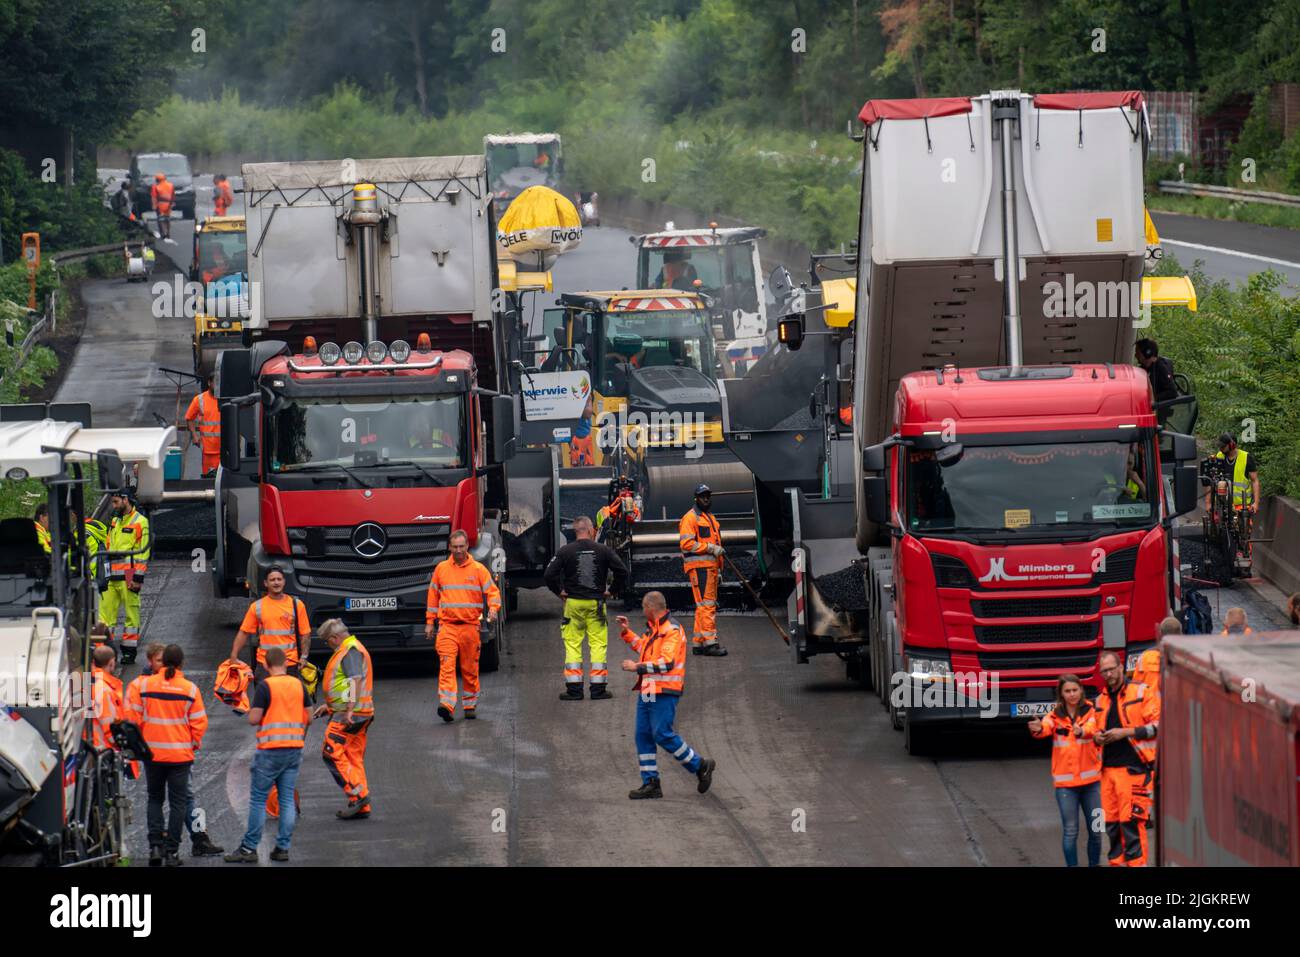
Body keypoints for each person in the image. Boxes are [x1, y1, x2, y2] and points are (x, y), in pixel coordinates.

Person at [127, 643, 224, 856]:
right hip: (180, 753)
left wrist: (143, 744)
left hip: (155, 753)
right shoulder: (187, 688)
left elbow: (132, 720)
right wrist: (190, 745)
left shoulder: (142, 686)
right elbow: (199, 722)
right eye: (157, 660)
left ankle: (167, 844)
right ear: (151, 662)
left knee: (164, 798)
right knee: (185, 798)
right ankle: (190, 842)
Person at [618, 591, 716, 799]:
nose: (643, 612)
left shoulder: (671, 630)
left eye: (644, 608)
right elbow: (645, 649)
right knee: (643, 734)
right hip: (651, 687)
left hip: (664, 689)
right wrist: (627, 633)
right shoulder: (655, 629)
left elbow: (666, 662)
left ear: (650, 608)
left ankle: (699, 765)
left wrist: (636, 667)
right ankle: (651, 783)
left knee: (661, 733)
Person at [224, 647, 312, 863]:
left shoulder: (266, 687)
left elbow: (254, 718)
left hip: (271, 751)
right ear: (285, 663)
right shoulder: (298, 684)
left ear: (266, 665)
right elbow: (309, 717)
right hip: (293, 749)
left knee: (257, 799)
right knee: (286, 799)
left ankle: (249, 847)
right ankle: (282, 847)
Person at [545, 515, 629, 701]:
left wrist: (559, 592)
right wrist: (611, 591)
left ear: (576, 531)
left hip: (573, 604)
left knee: (573, 645)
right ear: (591, 530)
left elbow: (549, 574)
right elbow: (622, 571)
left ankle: (574, 691)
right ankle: (598, 690)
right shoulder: (603, 550)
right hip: (596, 605)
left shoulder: (565, 551)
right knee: (598, 645)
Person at [425, 530, 501, 722]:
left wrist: (493, 608)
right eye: (455, 547)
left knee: (469, 668)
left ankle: (469, 705)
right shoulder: (441, 569)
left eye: (461, 546)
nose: (458, 550)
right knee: (447, 666)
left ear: (467, 546)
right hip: (447, 627)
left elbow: (492, 592)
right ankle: (447, 705)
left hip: (469, 627)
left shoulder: (478, 570)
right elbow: (433, 596)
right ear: (449, 547)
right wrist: (429, 622)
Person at [1093, 650, 1159, 867]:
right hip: (1107, 773)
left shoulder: (1141, 692)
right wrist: (1096, 736)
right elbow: (1094, 728)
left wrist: (1126, 732)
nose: (1109, 674)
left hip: (1134, 771)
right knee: (1111, 826)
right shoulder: (1101, 700)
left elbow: (1159, 726)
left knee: (1131, 825)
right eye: (1104, 671)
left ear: (1121, 667)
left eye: (1112, 669)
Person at [1028, 674, 1102, 866]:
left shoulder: (1092, 711)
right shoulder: (1055, 715)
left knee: (1097, 830)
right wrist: (1037, 728)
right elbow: (1045, 727)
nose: (1071, 694)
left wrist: (1081, 731)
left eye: (1075, 690)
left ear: (1081, 690)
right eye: (1067, 691)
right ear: (1061, 693)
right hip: (1066, 787)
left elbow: (1094, 728)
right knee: (1070, 831)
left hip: (1093, 785)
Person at [314, 619, 375, 819]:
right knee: (352, 756)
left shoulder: (350, 651)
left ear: (334, 638)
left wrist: (348, 709)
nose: (327, 645)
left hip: (349, 715)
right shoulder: (352, 648)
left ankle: (357, 796)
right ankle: (361, 803)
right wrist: (330, 706)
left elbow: (354, 680)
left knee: (331, 752)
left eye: (327, 641)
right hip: (358, 713)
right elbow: (345, 683)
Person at [227, 566, 312, 684]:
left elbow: (305, 634)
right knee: (265, 701)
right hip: (265, 664)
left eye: (279, 579)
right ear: (266, 583)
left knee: (288, 701)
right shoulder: (257, 607)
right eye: (272, 580)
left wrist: (304, 657)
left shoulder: (297, 605)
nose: (276, 582)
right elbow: (244, 632)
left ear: (284, 582)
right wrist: (234, 655)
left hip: (289, 664)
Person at [100, 491, 150, 663]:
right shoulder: (115, 520)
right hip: (111, 574)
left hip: (129, 574)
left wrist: (137, 578)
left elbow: (143, 553)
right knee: (105, 616)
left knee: (131, 615)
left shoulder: (140, 522)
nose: (113, 506)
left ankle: (129, 652)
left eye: (115, 502)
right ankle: (106, 653)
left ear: (125, 499)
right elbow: (108, 545)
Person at [679, 483, 727, 656]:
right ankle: (710, 644)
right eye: (702, 496)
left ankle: (699, 643)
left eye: (708, 496)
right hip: (700, 568)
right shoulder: (691, 518)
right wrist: (710, 548)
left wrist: (719, 569)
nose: (706, 498)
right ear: (696, 498)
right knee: (707, 606)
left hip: (709, 568)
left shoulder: (709, 518)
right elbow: (686, 543)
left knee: (703, 606)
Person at [1207, 432, 1260, 517]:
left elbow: (1255, 481)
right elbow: (1211, 480)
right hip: (1221, 504)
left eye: (1223, 446)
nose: (1220, 448)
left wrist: (1256, 503)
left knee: (1244, 528)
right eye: (1220, 446)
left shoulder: (1246, 457)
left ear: (1232, 445)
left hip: (1242, 506)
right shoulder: (1219, 456)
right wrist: (1208, 503)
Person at [185, 373, 221, 476]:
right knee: (209, 477)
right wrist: (194, 435)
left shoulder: (225, 398)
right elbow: (189, 418)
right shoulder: (200, 400)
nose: (218, 385)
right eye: (215, 382)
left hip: (226, 448)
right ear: (209, 383)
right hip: (208, 449)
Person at [1134, 338, 1178, 406]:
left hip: (1159, 412)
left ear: (1147, 353)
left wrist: (1151, 398)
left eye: (1137, 352)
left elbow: (1172, 392)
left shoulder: (1161, 367)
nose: (1135, 355)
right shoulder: (1143, 368)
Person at [568, 396, 595, 466]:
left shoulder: (586, 395)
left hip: (585, 437)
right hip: (574, 437)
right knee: (576, 466)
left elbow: (588, 413)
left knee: (588, 465)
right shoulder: (570, 395)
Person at [151, 171, 174, 240]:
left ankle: (163, 233)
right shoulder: (171, 185)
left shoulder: (155, 186)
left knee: (161, 219)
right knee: (167, 219)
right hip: (168, 204)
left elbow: (154, 197)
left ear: (157, 179)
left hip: (160, 205)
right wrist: (172, 203)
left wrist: (154, 206)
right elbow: (173, 195)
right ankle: (168, 233)